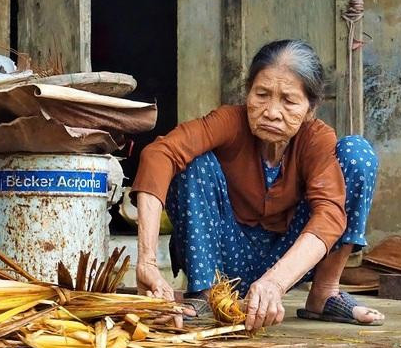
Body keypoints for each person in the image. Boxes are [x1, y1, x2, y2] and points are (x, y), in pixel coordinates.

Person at [131, 39, 384, 330]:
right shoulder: (230, 121)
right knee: (193, 161)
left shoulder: (315, 140)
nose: (272, 112)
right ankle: (203, 296)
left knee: (357, 155)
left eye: (288, 101)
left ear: (311, 108)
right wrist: (147, 260)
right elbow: (158, 154)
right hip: (223, 257)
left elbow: (329, 214)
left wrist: (275, 282)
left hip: (287, 260)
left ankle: (324, 294)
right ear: (248, 92)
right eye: (261, 94)